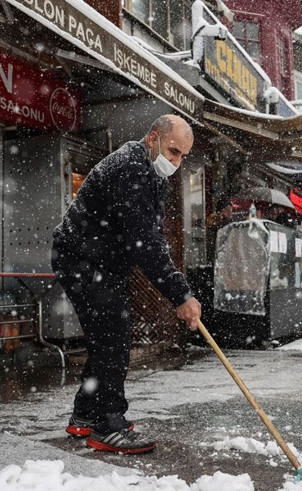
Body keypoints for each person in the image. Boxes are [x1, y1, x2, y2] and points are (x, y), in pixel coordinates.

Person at [51, 114, 202, 454]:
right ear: (153, 139)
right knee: (112, 339)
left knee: (108, 336)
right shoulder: (130, 169)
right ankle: (108, 425)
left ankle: (85, 414)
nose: (176, 162)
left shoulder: (152, 173)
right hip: (82, 259)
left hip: (102, 261)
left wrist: (177, 289)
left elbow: (153, 236)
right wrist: (180, 295)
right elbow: (144, 242)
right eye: (173, 151)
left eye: (183, 156)